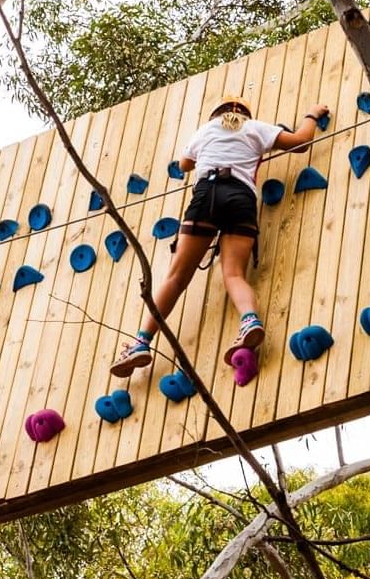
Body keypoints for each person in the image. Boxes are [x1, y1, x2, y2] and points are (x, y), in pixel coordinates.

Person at [110, 94, 329, 376]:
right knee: (234, 274)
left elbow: (184, 165)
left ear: (217, 114)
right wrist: (311, 114)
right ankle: (249, 320)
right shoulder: (255, 127)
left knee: (177, 277)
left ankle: (141, 342)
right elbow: (300, 142)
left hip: (208, 193)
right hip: (241, 197)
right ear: (245, 114)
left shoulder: (206, 130)